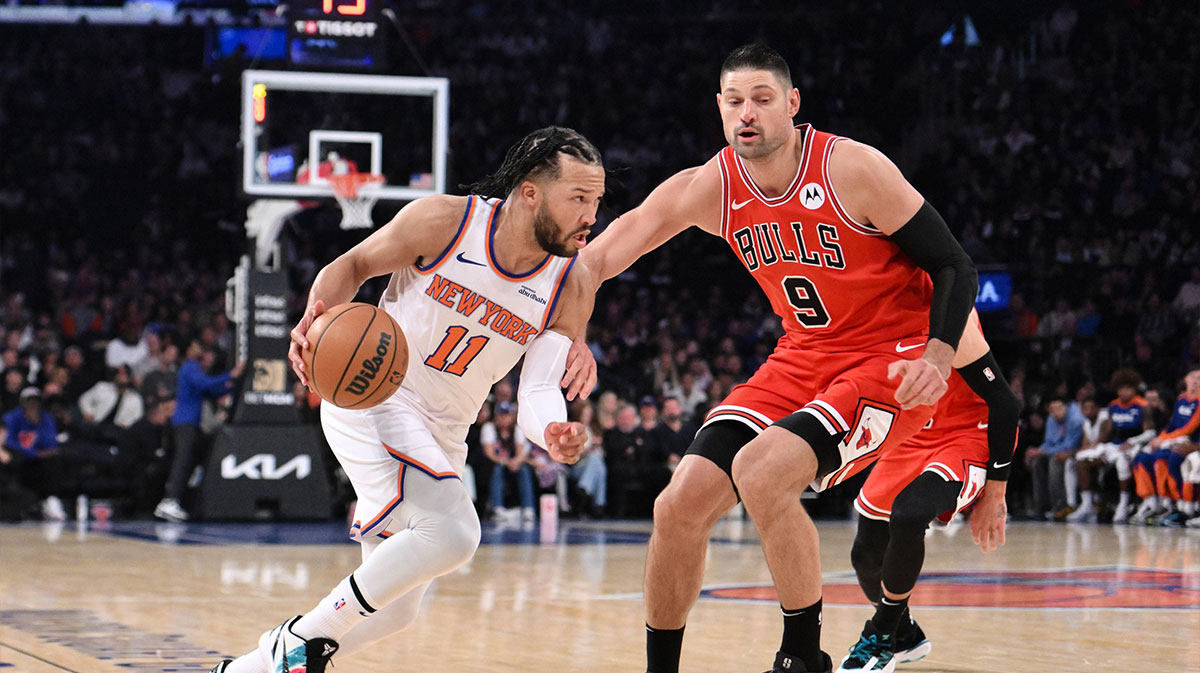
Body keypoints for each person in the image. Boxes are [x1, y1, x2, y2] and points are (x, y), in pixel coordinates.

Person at [573, 44, 977, 673]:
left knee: (762, 473)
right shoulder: (711, 186)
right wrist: (571, 334)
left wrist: (939, 355)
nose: (747, 113)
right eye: (735, 101)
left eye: (762, 98)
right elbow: (595, 260)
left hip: (891, 360)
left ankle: (801, 656)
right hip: (802, 356)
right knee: (677, 505)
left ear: (792, 103)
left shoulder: (853, 168)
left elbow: (954, 262)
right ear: (720, 109)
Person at [209, 126, 600, 673]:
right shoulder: (447, 221)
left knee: (395, 612)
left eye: (598, 201)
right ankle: (299, 641)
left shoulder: (572, 284)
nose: (591, 215)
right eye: (579, 199)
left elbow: (536, 389)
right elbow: (352, 267)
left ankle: (244, 670)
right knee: (457, 533)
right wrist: (315, 317)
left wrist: (552, 430)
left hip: (444, 434)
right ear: (531, 191)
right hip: (375, 394)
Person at [838, 312, 1018, 672]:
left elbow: (1005, 402)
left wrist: (996, 492)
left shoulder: (953, 313)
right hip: (912, 432)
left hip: (967, 432)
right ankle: (905, 636)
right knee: (865, 556)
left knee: (909, 513)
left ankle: (880, 638)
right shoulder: (870, 310)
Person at [154, 341, 244, 523]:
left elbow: (211, 392)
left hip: (189, 424)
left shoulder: (196, 371)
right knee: (182, 460)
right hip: (184, 423)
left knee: (189, 460)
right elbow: (205, 385)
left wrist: (234, 385)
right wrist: (231, 375)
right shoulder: (190, 367)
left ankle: (175, 501)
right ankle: (169, 501)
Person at [1072, 368, 1153, 524]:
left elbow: (1150, 432)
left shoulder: (1142, 405)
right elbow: (1108, 431)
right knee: (1082, 460)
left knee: (1122, 462)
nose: (1124, 392)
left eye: (1128, 388)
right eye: (1120, 388)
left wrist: (1132, 442)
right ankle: (1087, 504)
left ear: (1134, 389)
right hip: (1115, 444)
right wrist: (1094, 445)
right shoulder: (1113, 406)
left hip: (1135, 445)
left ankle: (1123, 503)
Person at [1127, 365, 1200, 525]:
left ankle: (1183, 505)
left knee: (1173, 459)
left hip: (1191, 441)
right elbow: (1172, 424)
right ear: (1185, 380)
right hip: (1177, 439)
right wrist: (1160, 439)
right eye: (1193, 377)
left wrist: (1164, 440)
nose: (1196, 381)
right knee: (1142, 458)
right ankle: (1155, 503)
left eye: (1199, 378)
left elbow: (1190, 428)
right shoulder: (1181, 399)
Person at [0, 387, 67, 520]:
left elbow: (51, 443)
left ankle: (50, 500)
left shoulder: (45, 418)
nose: (33, 405)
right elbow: (8, 441)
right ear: (22, 403)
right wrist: (33, 452)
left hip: (35, 462)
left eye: (36, 402)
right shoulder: (11, 418)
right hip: (18, 459)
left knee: (55, 460)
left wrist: (36, 424)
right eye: (29, 402)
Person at [1023, 394, 1083, 520]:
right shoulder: (1052, 418)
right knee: (1036, 462)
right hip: (1056, 452)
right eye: (1052, 409)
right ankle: (1041, 507)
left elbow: (1070, 445)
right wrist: (1038, 450)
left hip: (1074, 452)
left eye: (1059, 408)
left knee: (1055, 461)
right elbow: (1049, 441)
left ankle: (1059, 506)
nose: (1056, 413)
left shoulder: (1076, 419)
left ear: (1066, 406)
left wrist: (1044, 452)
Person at [482, 400, 536, 522]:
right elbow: (489, 453)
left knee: (524, 470)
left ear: (511, 416)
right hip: (495, 464)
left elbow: (520, 453)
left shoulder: (517, 429)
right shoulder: (489, 428)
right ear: (496, 416)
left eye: (506, 415)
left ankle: (528, 508)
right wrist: (504, 461)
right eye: (501, 415)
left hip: (512, 463)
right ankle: (497, 508)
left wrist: (515, 462)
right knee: (497, 470)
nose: (504, 418)